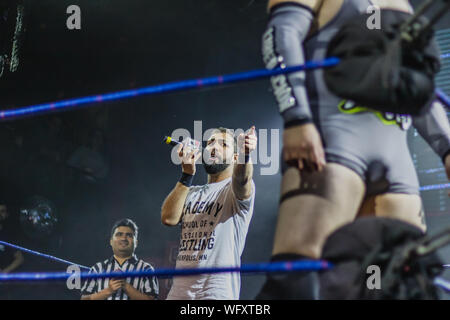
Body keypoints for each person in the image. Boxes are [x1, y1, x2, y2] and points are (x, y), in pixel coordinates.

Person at [257, 0, 450, 299]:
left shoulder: (401, 4)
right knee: (297, 282)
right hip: (334, 145)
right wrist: (297, 118)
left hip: (396, 159)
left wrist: (448, 150)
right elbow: (281, 36)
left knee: (393, 283)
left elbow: (417, 86)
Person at [162, 126, 257, 300]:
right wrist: (186, 174)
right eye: (211, 142)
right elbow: (168, 218)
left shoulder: (232, 190)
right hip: (179, 294)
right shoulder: (191, 191)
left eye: (224, 145)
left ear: (235, 158)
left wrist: (245, 154)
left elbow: (243, 180)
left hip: (215, 293)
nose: (214, 147)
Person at [80, 218, 159, 300]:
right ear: (111, 241)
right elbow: (84, 299)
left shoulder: (146, 269)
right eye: (119, 234)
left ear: (136, 243)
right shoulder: (97, 269)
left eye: (129, 235)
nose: (123, 238)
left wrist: (125, 285)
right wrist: (109, 290)